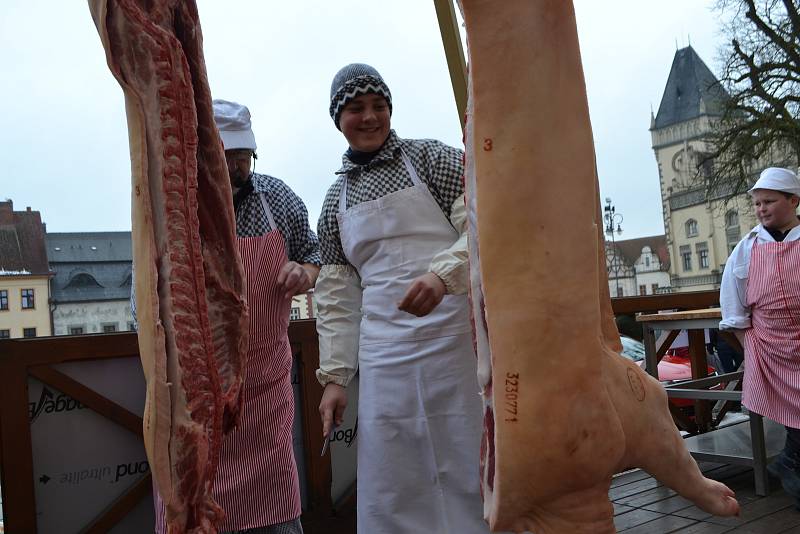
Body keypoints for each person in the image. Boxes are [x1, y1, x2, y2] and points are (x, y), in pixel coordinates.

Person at [314, 63, 488, 533]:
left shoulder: (434, 159)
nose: (369, 117)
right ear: (338, 118)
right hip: (384, 354)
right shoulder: (334, 201)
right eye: (356, 109)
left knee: (467, 453)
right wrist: (334, 378)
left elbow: (484, 225)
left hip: (454, 341)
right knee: (394, 472)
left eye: (378, 106)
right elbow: (336, 298)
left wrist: (442, 276)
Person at [150, 100, 321, 534]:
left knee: (278, 516)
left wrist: (305, 272)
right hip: (195, 401)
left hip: (264, 390)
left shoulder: (277, 197)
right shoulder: (174, 207)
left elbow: (315, 254)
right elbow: (144, 297)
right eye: (225, 158)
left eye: (242, 157)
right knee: (193, 514)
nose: (235, 168)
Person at [720, 166, 800, 508]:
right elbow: (733, 297)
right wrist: (749, 343)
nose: (761, 209)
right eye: (757, 203)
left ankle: (790, 463)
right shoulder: (748, 247)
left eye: (769, 201)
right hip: (769, 343)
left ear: (793, 201)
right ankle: (792, 467)